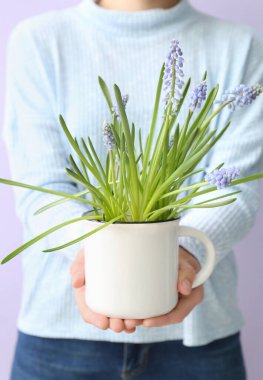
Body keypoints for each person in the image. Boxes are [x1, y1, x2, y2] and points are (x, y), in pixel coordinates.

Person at [3, 0, 263, 379]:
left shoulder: (242, 46)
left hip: (198, 342)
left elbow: (234, 187)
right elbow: (42, 190)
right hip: (60, 339)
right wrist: (103, 261)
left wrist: (181, 256)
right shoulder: (39, 41)